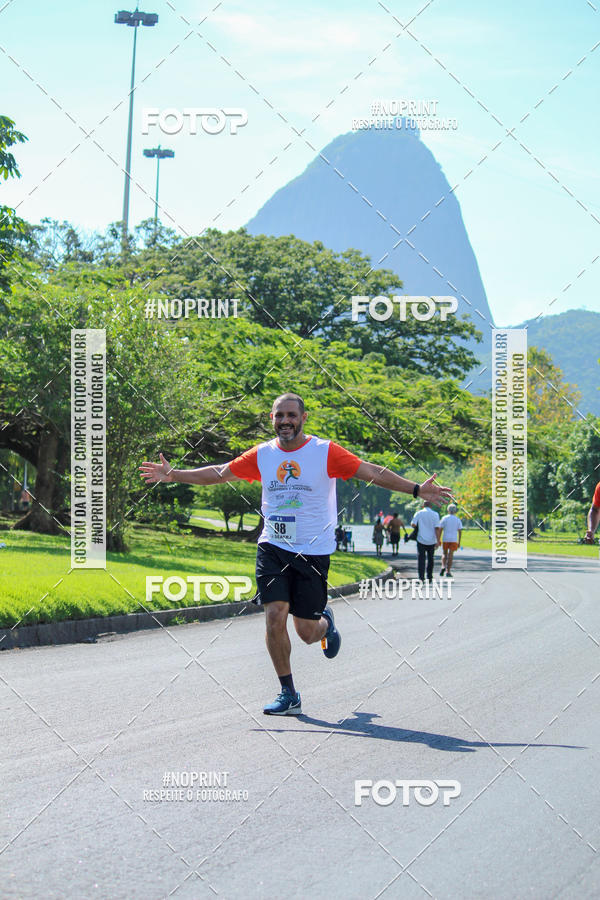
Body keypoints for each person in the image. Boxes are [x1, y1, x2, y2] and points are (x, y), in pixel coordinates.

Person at [140, 393, 452, 716]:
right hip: (272, 547)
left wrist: (417, 489)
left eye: (291, 415)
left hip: (313, 552)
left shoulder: (324, 452)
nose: (285, 421)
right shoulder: (263, 455)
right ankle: (288, 693)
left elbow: (371, 471)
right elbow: (220, 473)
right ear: (271, 418)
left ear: (304, 418)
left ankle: (325, 625)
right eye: (279, 416)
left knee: (305, 632)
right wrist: (174, 475)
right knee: (275, 615)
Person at [411, 500, 441, 582]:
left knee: (421, 558)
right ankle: (429, 576)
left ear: (423, 506)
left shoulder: (419, 513)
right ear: (431, 506)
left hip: (421, 539)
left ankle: (421, 577)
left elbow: (413, 524)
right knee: (430, 558)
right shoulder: (435, 514)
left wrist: (419, 526)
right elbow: (437, 528)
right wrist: (438, 540)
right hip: (432, 540)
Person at [439, 503, 462, 577]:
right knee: (451, 555)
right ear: (455, 511)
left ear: (448, 510)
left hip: (445, 538)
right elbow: (460, 531)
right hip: (453, 539)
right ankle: (448, 571)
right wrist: (459, 541)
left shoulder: (444, 518)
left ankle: (443, 566)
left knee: (444, 553)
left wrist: (438, 539)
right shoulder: (457, 519)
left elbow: (440, 529)